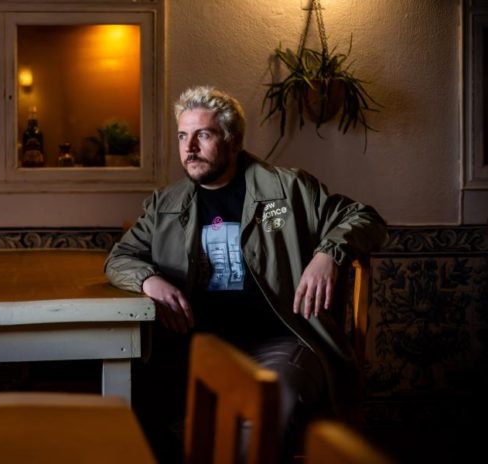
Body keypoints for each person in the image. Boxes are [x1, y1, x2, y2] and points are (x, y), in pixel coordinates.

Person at [104, 85, 387, 463]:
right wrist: (148, 280)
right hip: (197, 346)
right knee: (128, 399)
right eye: (183, 136)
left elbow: (366, 218)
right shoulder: (165, 204)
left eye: (203, 135)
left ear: (234, 140)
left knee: (274, 399)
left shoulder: (289, 188)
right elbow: (119, 258)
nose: (189, 148)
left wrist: (328, 254)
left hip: (281, 340)